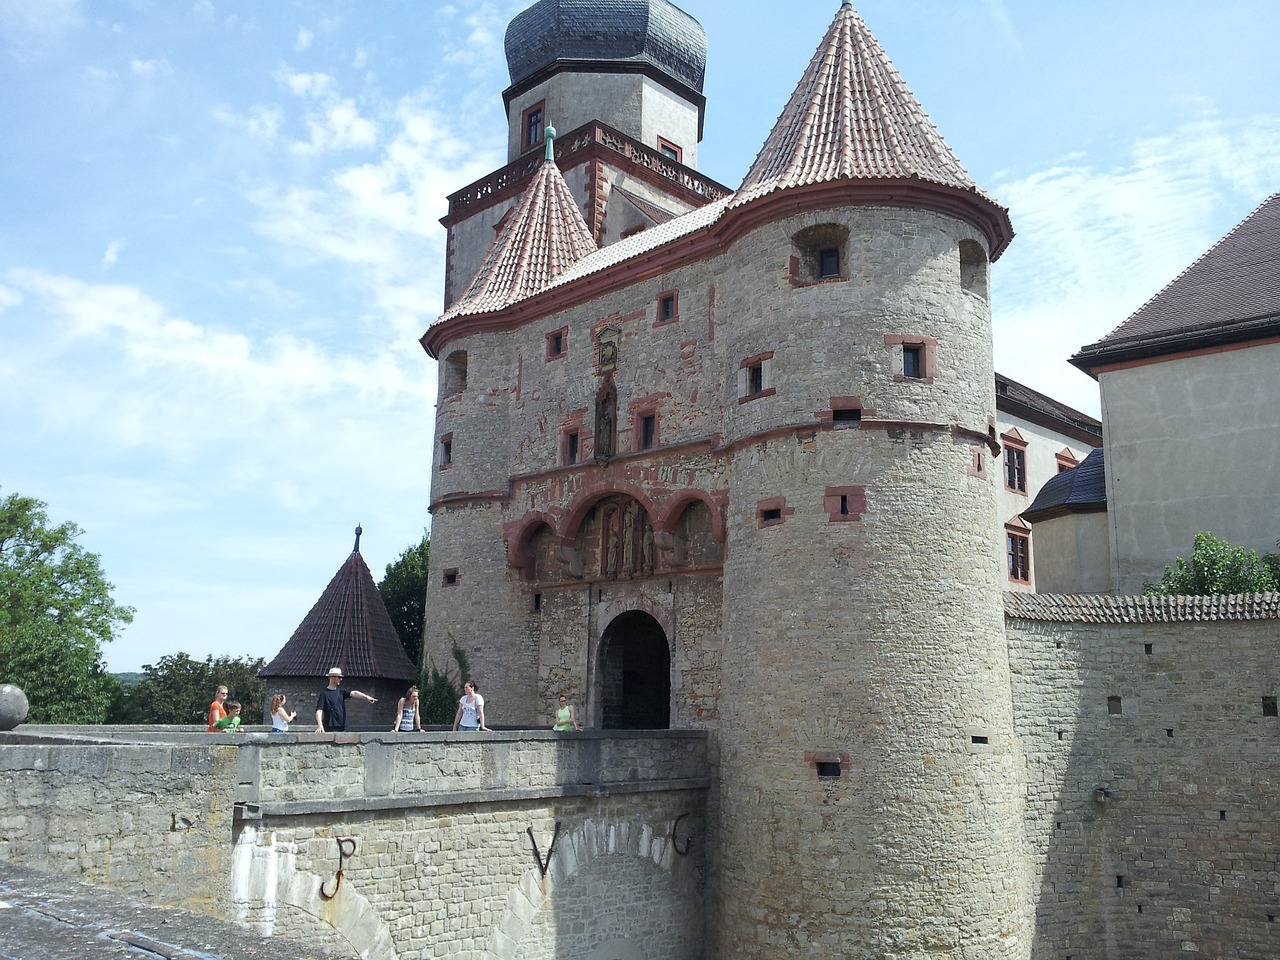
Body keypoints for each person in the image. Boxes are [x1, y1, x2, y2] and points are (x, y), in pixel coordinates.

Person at [314, 667, 377, 733]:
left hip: (342, 726)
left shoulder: (341, 691)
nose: (341, 679)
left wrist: (366, 697)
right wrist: (320, 725)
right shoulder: (324, 693)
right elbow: (319, 710)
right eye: (339, 677)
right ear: (332, 678)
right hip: (329, 726)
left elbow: (354, 693)